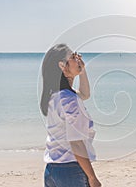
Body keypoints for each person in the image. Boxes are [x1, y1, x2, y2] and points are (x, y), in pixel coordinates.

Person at [40, 44, 102, 187]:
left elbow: (84, 94)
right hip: (70, 170)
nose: (78, 58)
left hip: (52, 170)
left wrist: (82, 71)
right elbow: (76, 143)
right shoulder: (69, 99)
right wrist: (92, 177)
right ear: (62, 66)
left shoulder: (55, 96)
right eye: (73, 56)